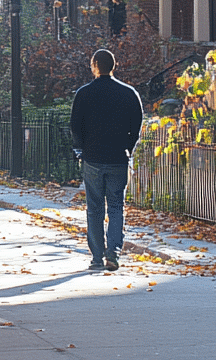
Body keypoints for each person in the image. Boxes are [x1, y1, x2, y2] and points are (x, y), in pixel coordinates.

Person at [69, 48, 144, 272]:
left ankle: (96, 257)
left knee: (94, 209)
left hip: (92, 157)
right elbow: (137, 126)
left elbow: (75, 125)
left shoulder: (84, 93)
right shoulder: (129, 93)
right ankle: (114, 252)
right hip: (118, 158)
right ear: (114, 66)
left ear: (94, 65)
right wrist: (128, 148)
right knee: (116, 207)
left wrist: (80, 149)